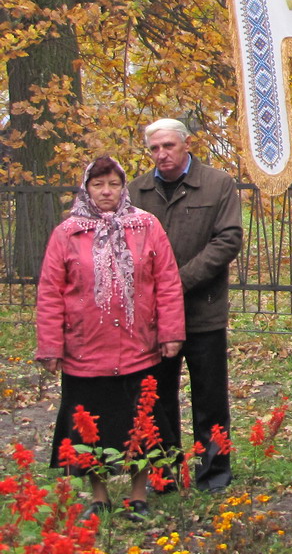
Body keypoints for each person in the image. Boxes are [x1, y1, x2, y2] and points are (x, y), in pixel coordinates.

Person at [37, 157, 185, 522]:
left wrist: (170, 332)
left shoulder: (146, 226)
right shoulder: (67, 232)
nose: (106, 192)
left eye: (114, 184)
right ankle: (99, 496)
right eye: (98, 184)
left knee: (141, 422)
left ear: (124, 188)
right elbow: (51, 292)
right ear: (86, 188)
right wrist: (51, 346)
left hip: (137, 346)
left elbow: (166, 281)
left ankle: (138, 495)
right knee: (90, 425)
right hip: (84, 350)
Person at [128, 119, 242, 493]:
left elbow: (228, 240)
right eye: (154, 148)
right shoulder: (136, 191)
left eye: (168, 146)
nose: (161, 154)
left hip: (203, 311)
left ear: (186, 144)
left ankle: (214, 473)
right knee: (156, 398)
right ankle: (162, 474)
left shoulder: (217, 184)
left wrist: (177, 283)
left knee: (210, 397)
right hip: (154, 317)